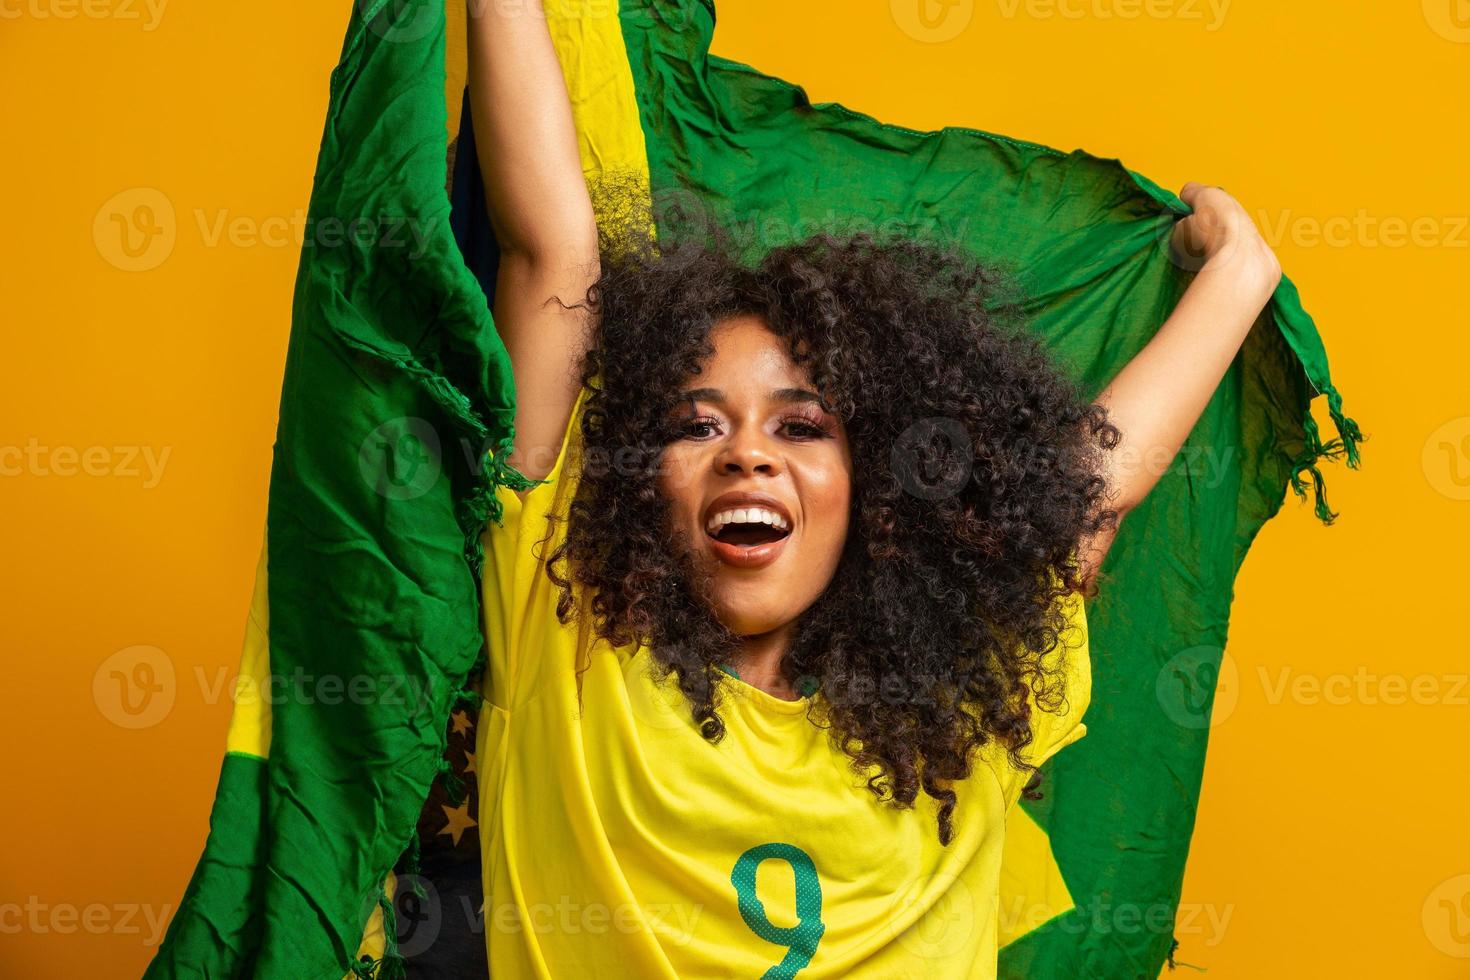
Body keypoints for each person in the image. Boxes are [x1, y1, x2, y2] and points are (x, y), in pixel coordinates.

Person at [459, 1, 1281, 976]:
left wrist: (1237, 274)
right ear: (637, 485)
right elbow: (555, 254)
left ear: (881, 493)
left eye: (802, 425)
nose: (748, 454)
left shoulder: (961, 699)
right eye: (696, 422)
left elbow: (1089, 484)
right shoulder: (563, 627)